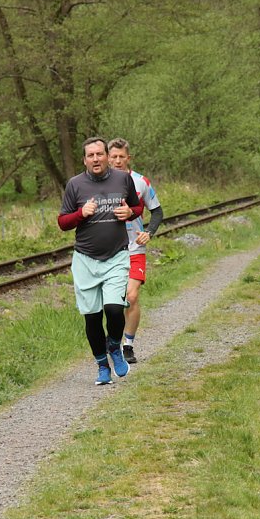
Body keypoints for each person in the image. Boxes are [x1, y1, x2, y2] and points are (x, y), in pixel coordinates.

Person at [59, 137, 143, 385]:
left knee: (115, 308)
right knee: (92, 317)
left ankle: (115, 347)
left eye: (99, 154)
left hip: (116, 256)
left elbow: (137, 208)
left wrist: (130, 212)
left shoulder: (122, 179)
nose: (96, 159)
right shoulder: (75, 185)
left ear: (107, 155)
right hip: (85, 260)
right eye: (90, 155)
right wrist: (80, 214)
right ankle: (102, 366)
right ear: (84, 160)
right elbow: (63, 222)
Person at [107, 138, 164, 365]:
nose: (118, 161)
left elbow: (157, 211)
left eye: (122, 157)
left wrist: (149, 231)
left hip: (134, 248)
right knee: (111, 302)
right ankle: (112, 341)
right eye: (114, 157)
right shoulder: (99, 183)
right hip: (109, 250)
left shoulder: (140, 182)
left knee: (131, 297)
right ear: (107, 157)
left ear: (128, 158)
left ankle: (127, 345)